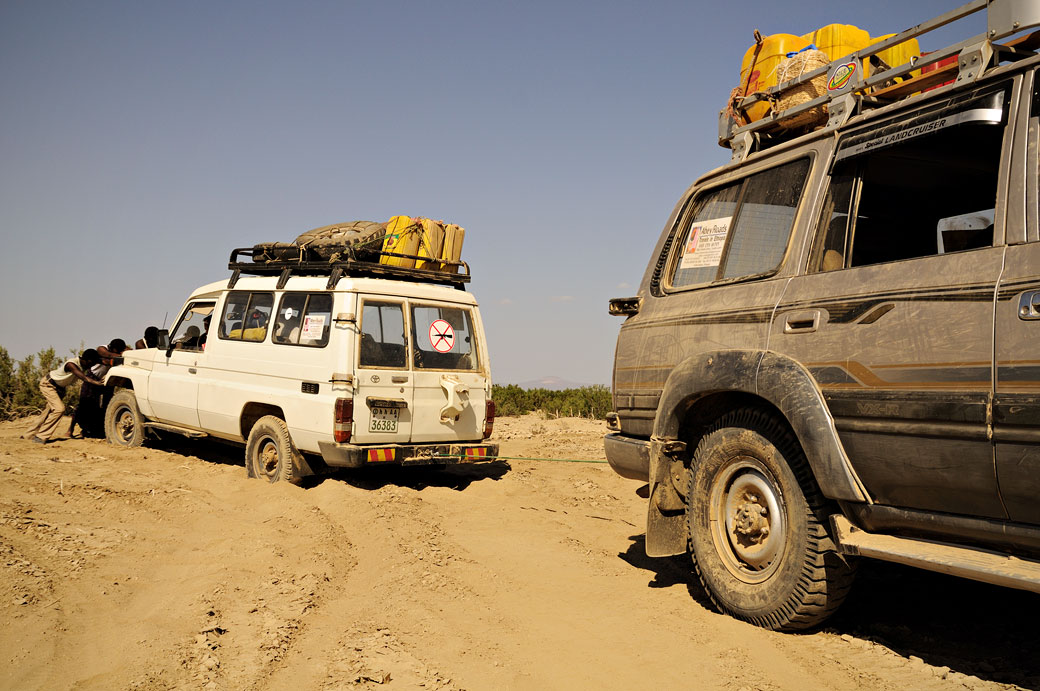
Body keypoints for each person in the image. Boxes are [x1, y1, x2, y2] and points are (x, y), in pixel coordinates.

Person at [22, 349, 105, 444]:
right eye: (92, 363)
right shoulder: (71, 364)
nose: (92, 366)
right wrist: (98, 383)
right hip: (48, 385)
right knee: (59, 409)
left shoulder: (86, 362)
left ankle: (28, 435)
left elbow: (103, 361)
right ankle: (41, 437)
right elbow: (83, 377)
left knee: (48, 412)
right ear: (88, 361)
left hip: (59, 389)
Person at [69, 339, 130, 439]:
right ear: (113, 348)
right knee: (84, 404)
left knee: (106, 405)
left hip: (107, 380)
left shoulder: (119, 350)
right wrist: (123, 355)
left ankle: (95, 430)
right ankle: (70, 430)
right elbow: (109, 356)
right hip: (93, 378)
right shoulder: (102, 349)